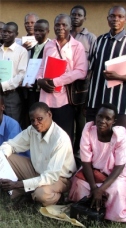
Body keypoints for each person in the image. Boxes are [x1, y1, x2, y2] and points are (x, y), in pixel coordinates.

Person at [69, 103, 126, 222]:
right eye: (100, 116)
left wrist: (101, 190)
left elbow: (119, 166)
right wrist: (94, 188)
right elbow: (85, 162)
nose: (102, 121)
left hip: (119, 172)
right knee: (80, 184)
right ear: (96, 116)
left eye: (108, 118)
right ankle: (93, 207)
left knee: (116, 188)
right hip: (95, 170)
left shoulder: (120, 136)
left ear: (114, 121)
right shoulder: (88, 130)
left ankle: (110, 213)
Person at [0, 102, 76, 206]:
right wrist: (2, 158)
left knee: (41, 194)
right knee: (4, 156)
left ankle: (59, 196)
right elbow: (11, 145)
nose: (36, 123)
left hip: (58, 179)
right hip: (36, 170)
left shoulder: (60, 139)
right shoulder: (32, 129)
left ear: (49, 115)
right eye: (32, 120)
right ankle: (22, 188)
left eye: (39, 119)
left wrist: (18, 184)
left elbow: (50, 176)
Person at [86, 6, 126, 128]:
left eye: (120, 16)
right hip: (95, 100)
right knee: (92, 135)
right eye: (112, 16)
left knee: (116, 137)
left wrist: (118, 76)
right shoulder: (99, 41)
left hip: (118, 103)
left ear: (125, 19)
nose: (115, 19)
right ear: (108, 19)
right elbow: (90, 70)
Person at [37, 14, 88, 143]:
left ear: (70, 27)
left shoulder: (77, 46)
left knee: (63, 136)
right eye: (57, 25)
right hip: (45, 98)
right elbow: (42, 66)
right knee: (45, 133)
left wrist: (56, 81)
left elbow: (81, 71)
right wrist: (39, 79)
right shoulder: (49, 45)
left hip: (64, 100)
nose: (60, 27)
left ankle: (65, 162)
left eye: (64, 25)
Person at [70, 5, 97, 161]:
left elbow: (92, 65)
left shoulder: (90, 38)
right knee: (67, 120)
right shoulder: (65, 34)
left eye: (79, 15)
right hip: (67, 87)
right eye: (73, 14)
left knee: (81, 122)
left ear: (84, 18)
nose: (76, 17)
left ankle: (79, 153)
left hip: (83, 86)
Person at [22, 19, 50, 128]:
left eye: (41, 30)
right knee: (31, 118)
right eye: (36, 30)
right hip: (30, 89)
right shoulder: (31, 47)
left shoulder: (51, 46)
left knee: (42, 119)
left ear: (47, 31)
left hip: (42, 90)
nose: (37, 33)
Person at [0, 22, 28, 123]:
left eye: (9, 32)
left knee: (13, 123)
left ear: (16, 34)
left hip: (12, 94)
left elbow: (22, 74)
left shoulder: (21, 51)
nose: (5, 34)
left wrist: (4, 85)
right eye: (3, 31)